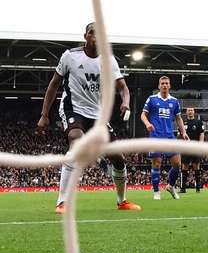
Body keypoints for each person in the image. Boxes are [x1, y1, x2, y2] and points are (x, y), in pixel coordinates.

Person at [36, 22, 141, 213]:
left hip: (97, 116)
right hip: (73, 109)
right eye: (92, 33)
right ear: (85, 36)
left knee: (118, 158)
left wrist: (126, 102)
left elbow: (123, 88)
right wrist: (44, 115)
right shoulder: (70, 56)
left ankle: (122, 201)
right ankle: (62, 202)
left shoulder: (109, 60)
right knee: (76, 142)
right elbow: (53, 85)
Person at [142, 76, 188, 200]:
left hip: (169, 136)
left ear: (170, 85)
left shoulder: (174, 101)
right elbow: (143, 115)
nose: (164, 85)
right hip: (155, 136)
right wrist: (148, 124)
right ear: (159, 86)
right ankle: (156, 192)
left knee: (177, 164)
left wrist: (183, 132)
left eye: (166, 83)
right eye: (162, 83)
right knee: (156, 164)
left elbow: (178, 118)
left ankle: (171, 186)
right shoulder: (151, 99)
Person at [180, 107, 205, 193]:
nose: (190, 112)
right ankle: (183, 188)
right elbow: (180, 135)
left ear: (194, 112)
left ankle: (198, 188)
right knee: (184, 166)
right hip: (185, 148)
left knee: (196, 166)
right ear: (186, 112)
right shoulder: (182, 123)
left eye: (191, 110)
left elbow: (201, 133)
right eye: (188, 110)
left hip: (195, 147)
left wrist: (201, 145)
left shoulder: (198, 122)